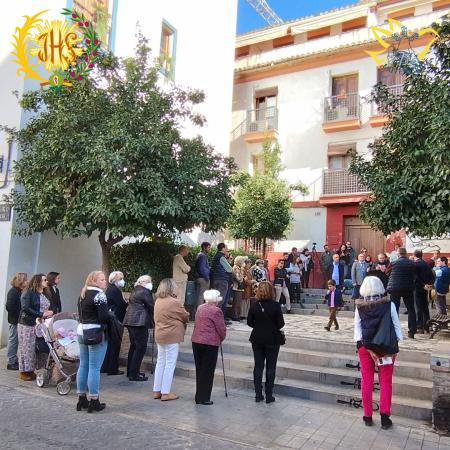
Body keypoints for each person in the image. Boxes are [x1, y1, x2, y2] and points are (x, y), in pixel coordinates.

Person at [354, 276, 403, 429]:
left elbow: (358, 329)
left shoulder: (360, 306)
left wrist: (364, 347)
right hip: (386, 348)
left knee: (366, 381)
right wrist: (396, 346)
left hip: (365, 347)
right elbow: (396, 326)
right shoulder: (389, 304)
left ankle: (367, 415)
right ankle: (385, 417)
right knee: (386, 382)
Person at [76, 271, 110, 413]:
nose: (105, 282)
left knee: (83, 365)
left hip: (81, 330)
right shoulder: (99, 295)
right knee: (94, 367)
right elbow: (103, 317)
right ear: (94, 281)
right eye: (102, 280)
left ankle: (81, 398)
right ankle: (94, 400)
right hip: (95, 332)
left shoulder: (82, 294)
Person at [247, 282, 285, 403]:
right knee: (271, 366)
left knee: (258, 366)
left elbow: (249, 322)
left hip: (257, 338)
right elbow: (281, 324)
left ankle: (258, 394)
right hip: (272, 338)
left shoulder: (254, 304)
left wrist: (258, 325)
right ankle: (269, 395)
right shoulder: (275, 305)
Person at [153, 278, 189, 401]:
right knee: (169, 363)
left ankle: (157, 390)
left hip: (160, 334)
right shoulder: (174, 302)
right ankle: (165, 392)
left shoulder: (158, 300)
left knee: (160, 362)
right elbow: (185, 316)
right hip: (172, 335)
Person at [191, 289, 226, 405]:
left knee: (200, 369)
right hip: (210, 343)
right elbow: (221, 328)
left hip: (196, 341)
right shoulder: (217, 311)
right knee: (208, 370)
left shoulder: (200, 307)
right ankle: (204, 397)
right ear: (216, 300)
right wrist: (222, 337)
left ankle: (198, 396)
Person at [17, 273, 53, 381]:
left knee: (37, 348)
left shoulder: (45, 293)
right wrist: (41, 314)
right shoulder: (28, 293)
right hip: (27, 324)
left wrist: (49, 313)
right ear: (38, 281)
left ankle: (32, 369)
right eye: (44, 280)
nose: (47, 281)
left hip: (40, 324)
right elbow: (25, 308)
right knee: (26, 347)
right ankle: (24, 371)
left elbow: (46, 306)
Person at [123, 275, 154, 381]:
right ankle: (134, 374)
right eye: (149, 281)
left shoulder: (135, 290)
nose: (150, 283)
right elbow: (151, 305)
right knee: (140, 348)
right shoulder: (144, 291)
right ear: (142, 282)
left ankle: (131, 371)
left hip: (131, 320)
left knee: (134, 346)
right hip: (139, 321)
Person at [387, 247, 417, 338]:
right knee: (411, 309)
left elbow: (386, 272)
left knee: (394, 309)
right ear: (406, 253)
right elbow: (415, 275)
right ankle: (411, 332)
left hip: (394, 288)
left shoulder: (393, 263)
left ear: (398, 254)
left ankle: (394, 330)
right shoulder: (412, 263)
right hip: (408, 288)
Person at [101, 271, 127, 375]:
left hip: (112, 320)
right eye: (120, 279)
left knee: (110, 345)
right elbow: (121, 304)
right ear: (114, 280)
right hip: (115, 321)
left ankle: (106, 367)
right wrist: (126, 303)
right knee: (115, 344)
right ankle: (112, 368)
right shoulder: (114, 290)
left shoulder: (111, 289)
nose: (122, 281)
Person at [5, 273, 27, 370]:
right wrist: (18, 316)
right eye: (25, 280)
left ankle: (14, 359)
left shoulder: (20, 291)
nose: (27, 282)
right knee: (13, 341)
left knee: (16, 341)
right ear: (21, 282)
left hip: (18, 320)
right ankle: (11, 362)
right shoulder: (14, 291)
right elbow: (9, 306)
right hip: (15, 320)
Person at [413, 250, 435, 333]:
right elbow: (432, 276)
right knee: (425, 307)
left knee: (418, 308)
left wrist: (423, 285)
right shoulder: (426, 264)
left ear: (414, 255)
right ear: (422, 255)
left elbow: (415, 278)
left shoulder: (415, 264)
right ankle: (427, 326)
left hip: (418, 288)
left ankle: (420, 327)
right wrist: (429, 284)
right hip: (427, 289)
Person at [211, 243, 233, 324]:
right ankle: (217, 320)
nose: (227, 249)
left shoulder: (216, 256)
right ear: (223, 248)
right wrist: (228, 262)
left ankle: (215, 318)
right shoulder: (221, 257)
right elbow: (230, 269)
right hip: (222, 280)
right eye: (226, 247)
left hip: (216, 279)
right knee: (220, 300)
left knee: (216, 299)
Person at [195, 242, 211, 313]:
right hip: (203, 278)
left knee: (199, 296)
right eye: (208, 247)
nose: (209, 249)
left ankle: (197, 313)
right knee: (201, 297)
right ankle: (200, 313)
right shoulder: (203, 256)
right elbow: (202, 268)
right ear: (204, 247)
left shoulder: (199, 255)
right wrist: (207, 277)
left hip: (199, 278)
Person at [232, 256, 246, 321]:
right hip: (237, 287)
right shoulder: (236, 268)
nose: (243, 262)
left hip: (239, 288)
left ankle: (237, 315)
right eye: (242, 261)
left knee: (238, 302)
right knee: (236, 302)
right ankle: (235, 316)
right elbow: (238, 278)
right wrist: (242, 279)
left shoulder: (239, 267)